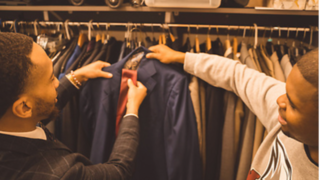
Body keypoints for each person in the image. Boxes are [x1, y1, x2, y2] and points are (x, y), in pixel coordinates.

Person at [146, 45, 320, 179]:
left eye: (293, 105)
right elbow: (237, 75)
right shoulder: (281, 114)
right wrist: (182, 57)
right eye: (285, 92)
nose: (279, 101)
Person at [0, 32, 147, 180]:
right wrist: (132, 110)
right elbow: (118, 171)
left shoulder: (10, 120)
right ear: (24, 108)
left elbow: (35, 109)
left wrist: (76, 76)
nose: (58, 82)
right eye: (51, 78)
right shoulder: (58, 174)